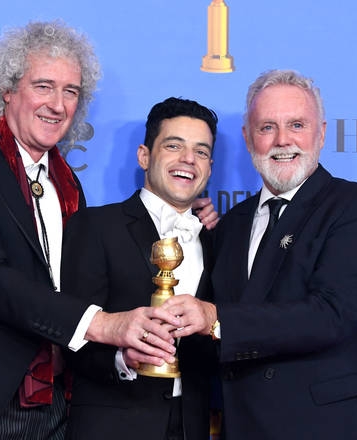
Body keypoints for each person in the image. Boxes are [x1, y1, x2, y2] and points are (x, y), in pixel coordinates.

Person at [0, 21, 217, 440]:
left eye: (71, 92)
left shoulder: (67, 184)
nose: (58, 105)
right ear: (7, 89)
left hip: (55, 407)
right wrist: (103, 325)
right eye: (44, 86)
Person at [163, 69, 357, 439]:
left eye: (297, 125)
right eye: (267, 127)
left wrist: (217, 319)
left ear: (321, 133)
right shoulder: (231, 225)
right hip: (243, 427)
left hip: (328, 429)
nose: (282, 140)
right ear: (247, 137)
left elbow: (332, 315)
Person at [61, 97, 219, 440]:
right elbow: (67, 330)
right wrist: (122, 358)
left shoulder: (217, 241)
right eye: (174, 145)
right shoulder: (96, 226)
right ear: (144, 156)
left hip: (192, 426)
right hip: (112, 427)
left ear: (209, 167)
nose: (188, 159)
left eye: (201, 151)